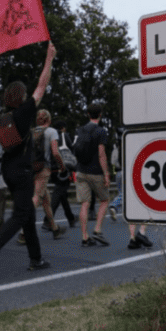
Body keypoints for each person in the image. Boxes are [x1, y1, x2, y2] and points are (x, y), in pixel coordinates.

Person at [0, 42, 56, 278]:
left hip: (7, 172)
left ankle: (36, 259)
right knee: (21, 215)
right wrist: (49, 58)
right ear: (21, 97)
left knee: (28, 217)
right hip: (22, 171)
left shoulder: (0, 120)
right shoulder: (23, 114)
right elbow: (42, 86)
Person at [22, 109, 66, 241]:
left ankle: (55, 229)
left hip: (31, 168)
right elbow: (55, 152)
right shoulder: (51, 131)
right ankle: (23, 232)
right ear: (49, 120)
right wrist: (62, 166)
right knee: (36, 198)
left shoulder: (31, 132)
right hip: (43, 168)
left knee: (46, 200)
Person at [76, 103, 111, 247]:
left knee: (85, 203)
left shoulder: (81, 130)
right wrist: (107, 173)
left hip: (81, 171)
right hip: (96, 172)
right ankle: (97, 229)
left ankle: (85, 237)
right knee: (104, 200)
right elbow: (102, 155)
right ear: (100, 115)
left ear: (88, 114)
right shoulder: (101, 131)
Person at [45, 119, 76, 230]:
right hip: (62, 168)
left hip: (52, 169)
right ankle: (47, 220)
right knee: (58, 193)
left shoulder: (50, 136)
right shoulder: (64, 136)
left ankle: (71, 218)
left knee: (62, 194)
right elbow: (71, 151)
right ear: (63, 128)